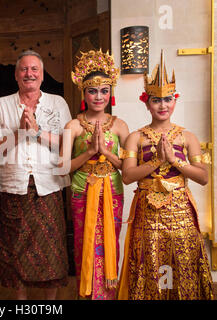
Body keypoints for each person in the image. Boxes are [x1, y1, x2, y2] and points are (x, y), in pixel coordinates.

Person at [118, 51, 214, 300]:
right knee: (149, 261)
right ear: (146, 102)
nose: (163, 105)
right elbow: (127, 176)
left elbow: (203, 177)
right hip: (147, 212)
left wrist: (174, 161)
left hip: (180, 209)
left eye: (168, 99)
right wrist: (158, 161)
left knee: (182, 263)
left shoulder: (187, 137)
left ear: (175, 101)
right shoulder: (135, 137)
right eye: (156, 100)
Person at [0, 50, 71, 300]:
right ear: (16, 75)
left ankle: (51, 302)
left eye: (34, 69)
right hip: (14, 186)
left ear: (42, 75)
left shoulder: (57, 103)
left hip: (48, 185)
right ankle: (21, 302)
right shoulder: (1, 105)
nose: (29, 74)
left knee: (51, 248)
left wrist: (36, 132)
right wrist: (19, 132)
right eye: (23, 69)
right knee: (14, 248)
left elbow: (67, 144)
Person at [60, 49, 130, 299]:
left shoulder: (120, 125)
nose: (98, 96)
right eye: (92, 90)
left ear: (110, 92)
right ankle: (87, 294)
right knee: (84, 244)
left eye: (104, 90)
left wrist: (107, 153)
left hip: (112, 190)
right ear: (83, 93)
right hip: (82, 190)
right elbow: (63, 167)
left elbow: (127, 168)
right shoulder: (73, 125)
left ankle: (108, 295)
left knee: (111, 241)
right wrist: (90, 150)